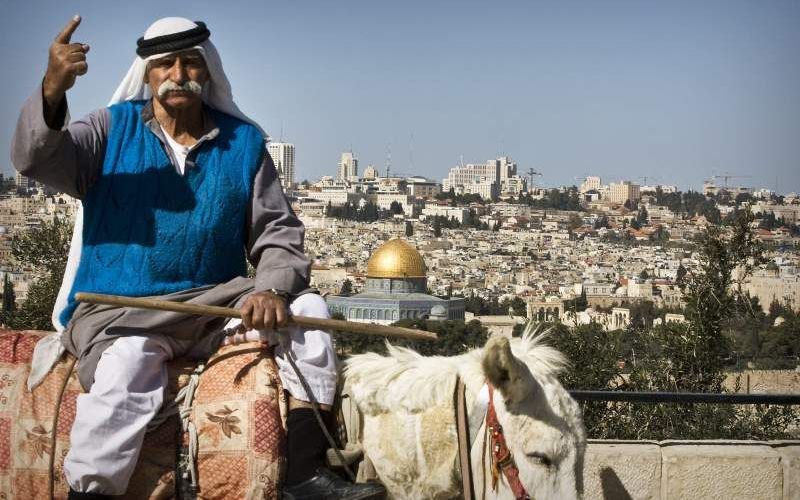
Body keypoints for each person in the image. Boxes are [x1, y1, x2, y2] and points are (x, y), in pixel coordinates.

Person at [12, 15, 385, 500]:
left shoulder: (243, 144)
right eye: (164, 63)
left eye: (190, 61)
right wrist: (52, 89)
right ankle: (93, 491)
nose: (178, 72)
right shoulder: (107, 131)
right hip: (123, 309)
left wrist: (271, 287)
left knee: (309, 313)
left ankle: (304, 472)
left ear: (207, 71)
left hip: (214, 305)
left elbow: (277, 229)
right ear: (147, 73)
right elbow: (36, 160)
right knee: (125, 372)